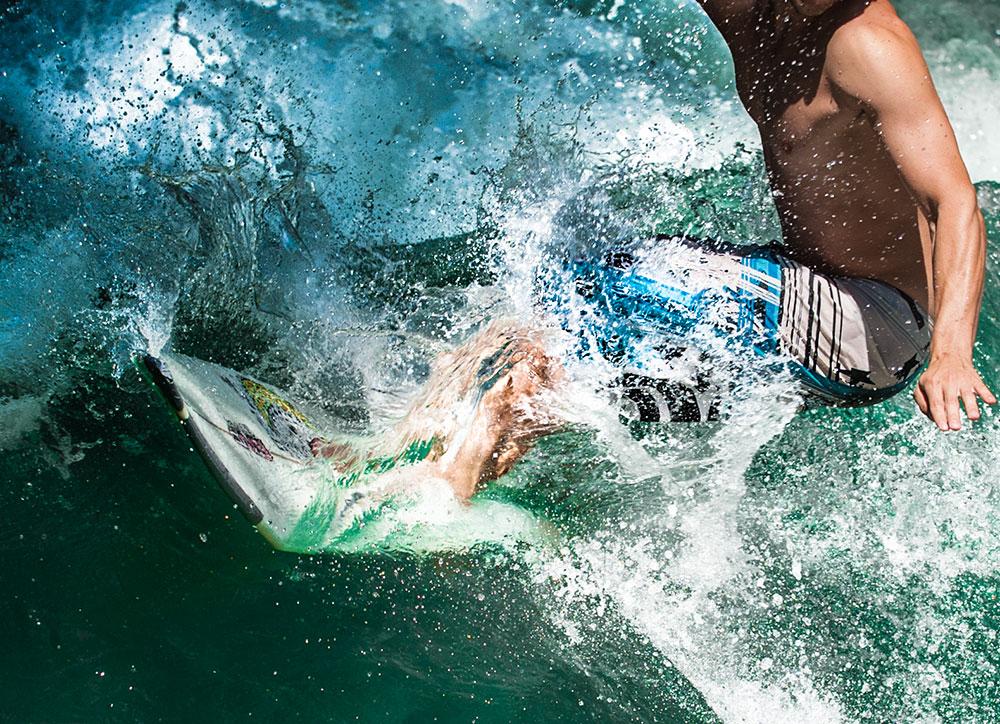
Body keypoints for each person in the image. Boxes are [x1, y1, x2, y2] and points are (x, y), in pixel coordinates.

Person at [316, 0, 995, 500]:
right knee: (542, 364)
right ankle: (409, 463)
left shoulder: (867, 44)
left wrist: (953, 357)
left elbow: (956, 202)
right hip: (805, 311)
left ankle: (442, 485)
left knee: (592, 288)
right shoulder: (753, 13)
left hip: (868, 324)